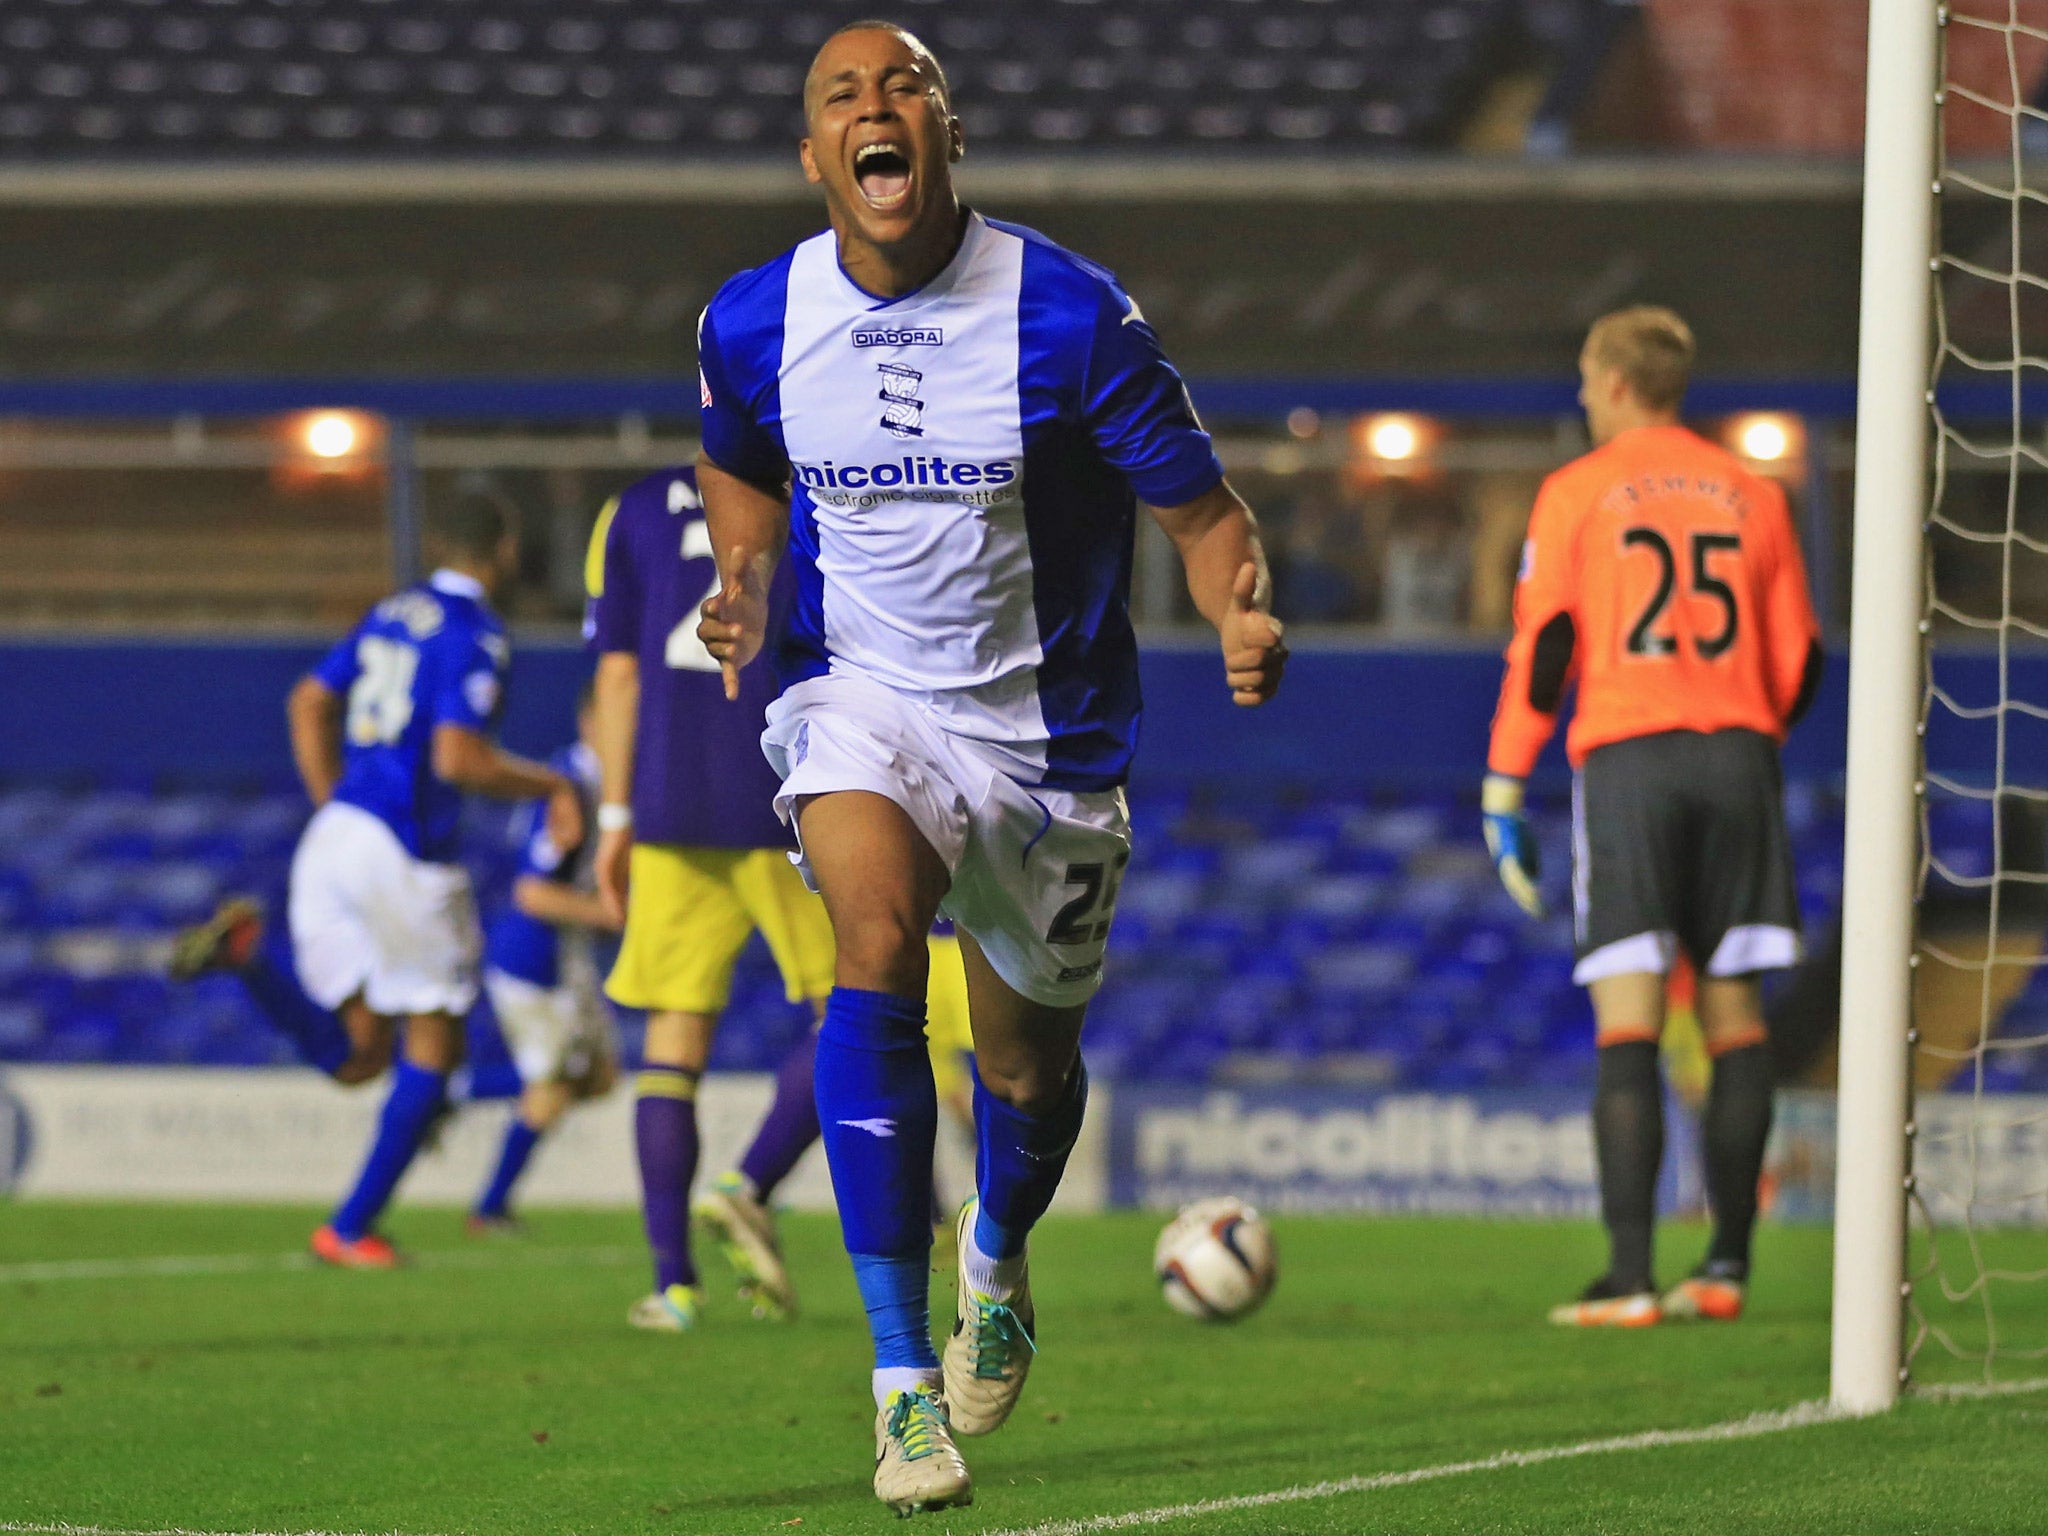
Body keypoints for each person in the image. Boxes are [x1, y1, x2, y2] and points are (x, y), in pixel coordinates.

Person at [692, 22, 1286, 1515]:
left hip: (1052, 746)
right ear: (814, 155)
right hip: (868, 705)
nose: (876, 112)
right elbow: (740, 463)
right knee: (874, 948)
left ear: (947, 136)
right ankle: (901, 1393)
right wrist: (745, 578)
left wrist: (1242, 609)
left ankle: (998, 1251)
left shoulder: (1069, 313)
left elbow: (1206, 520)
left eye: (906, 89)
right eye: (843, 98)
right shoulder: (753, 320)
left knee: (1026, 1070)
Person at [1481, 305, 1821, 1328]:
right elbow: (1799, 656)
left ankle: (1627, 1276)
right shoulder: (1752, 492)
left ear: (1619, 383)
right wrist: (1742, 731)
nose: (1581, 396)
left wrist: (1504, 784)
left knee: (1627, 1019)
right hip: (1735, 754)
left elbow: (1544, 649)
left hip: (1628, 758)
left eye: (1587, 379)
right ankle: (1722, 1265)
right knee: (1732, 1018)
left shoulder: (1576, 490)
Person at [283, 490, 581, 1267]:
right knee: (434, 1038)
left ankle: (249, 964)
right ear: (503, 549)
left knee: (363, 1048)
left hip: (337, 832)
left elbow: (309, 699)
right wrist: (555, 786)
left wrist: (332, 803)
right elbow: (458, 759)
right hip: (400, 849)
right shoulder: (474, 630)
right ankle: (349, 1227)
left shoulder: (393, 610)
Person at [583, 465, 837, 1332]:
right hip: (791, 786)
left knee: (671, 1040)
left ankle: (674, 1287)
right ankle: (749, 1184)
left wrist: (613, 816)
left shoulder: (634, 507)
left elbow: (617, 677)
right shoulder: (823, 486)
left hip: (666, 802)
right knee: (854, 1014)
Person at [468, 685, 622, 1232]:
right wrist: (611, 915)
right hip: (534, 957)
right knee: (554, 1085)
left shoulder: (603, 787)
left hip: (566, 957)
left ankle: (455, 1091)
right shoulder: (571, 786)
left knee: (600, 1077)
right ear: (589, 721)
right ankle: (489, 1208)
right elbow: (532, 893)